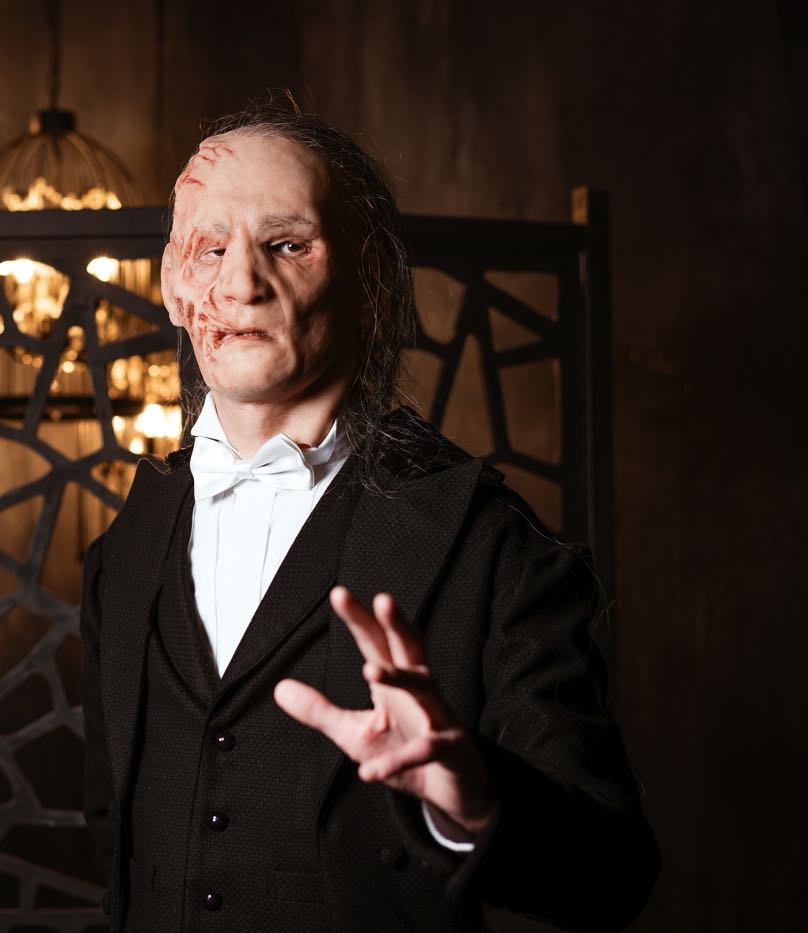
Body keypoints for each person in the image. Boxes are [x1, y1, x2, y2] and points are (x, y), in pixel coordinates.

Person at [78, 101, 660, 932]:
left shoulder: (493, 546)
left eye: (288, 244)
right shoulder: (126, 546)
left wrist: (475, 802)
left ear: (370, 283)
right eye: (210, 249)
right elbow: (114, 847)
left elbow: (614, 873)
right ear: (172, 284)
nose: (240, 284)